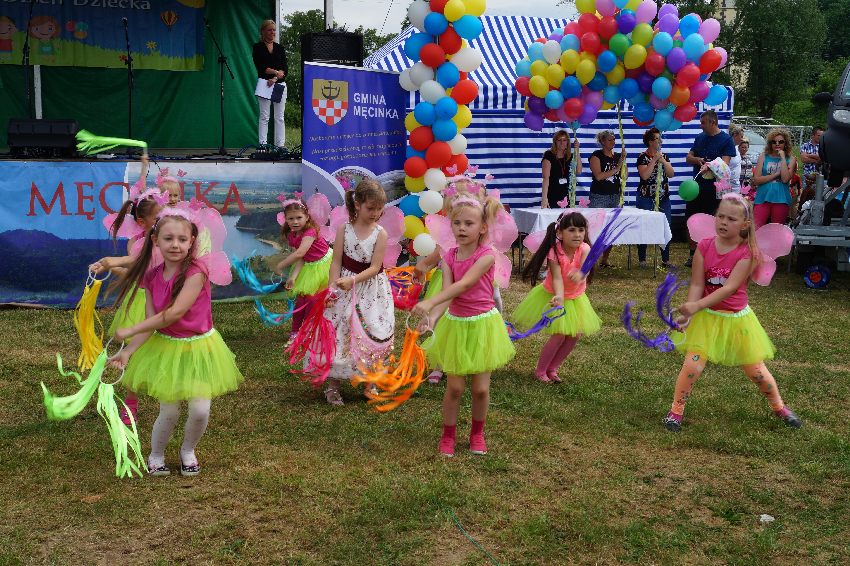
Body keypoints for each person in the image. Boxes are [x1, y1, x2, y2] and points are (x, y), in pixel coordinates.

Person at [109, 209, 244, 476]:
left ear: (192, 241)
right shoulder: (151, 276)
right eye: (168, 239)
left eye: (182, 239)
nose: (175, 245)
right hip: (167, 347)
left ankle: (188, 450)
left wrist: (131, 329)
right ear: (155, 240)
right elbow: (153, 321)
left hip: (200, 348)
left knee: (200, 410)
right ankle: (156, 454)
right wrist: (129, 351)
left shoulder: (196, 272)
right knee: (169, 410)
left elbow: (174, 313)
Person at [662, 193, 802, 433]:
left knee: (756, 371)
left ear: (745, 225)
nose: (723, 222)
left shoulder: (749, 253)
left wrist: (697, 306)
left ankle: (779, 406)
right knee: (692, 366)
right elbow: (697, 283)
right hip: (707, 318)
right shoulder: (704, 246)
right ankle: (676, 411)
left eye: (731, 219)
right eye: (720, 216)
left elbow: (729, 288)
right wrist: (690, 312)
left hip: (737, 320)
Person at [413, 189, 515, 457]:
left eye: (469, 223)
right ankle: (448, 435)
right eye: (457, 223)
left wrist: (429, 302)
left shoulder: (487, 255)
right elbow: (449, 292)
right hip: (456, 324)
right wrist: (432, 318)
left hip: (483, 325)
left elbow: (465, 285)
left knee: (480, 389)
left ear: (483, 227)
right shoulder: (448, 256)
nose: (461, 228)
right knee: (455, 387)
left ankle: (477, 434)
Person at [322, 179, 394, 406]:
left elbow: (375, 267)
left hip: (371, 290)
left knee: (371, 329)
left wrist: (353, 280)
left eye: (379, 209)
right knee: (341, 329)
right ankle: (333, 385)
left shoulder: (380, 233)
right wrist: (332, 287)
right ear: (357, 205)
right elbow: (336, 261)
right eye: (370, 208)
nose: (375, 213)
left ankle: (370, 382)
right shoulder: (344, 230)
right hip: (344, 287)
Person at [513, 212, 600, 383]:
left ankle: (553, 368)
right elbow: (557, 278)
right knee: (559, 334)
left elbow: (586, 268)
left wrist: (581, 274)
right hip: (556, 294)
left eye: (581, 230)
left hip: (575, 297)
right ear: (560, 232)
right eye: (572, 230)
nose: (577, 234)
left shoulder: (585, 248)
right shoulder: (555, 251)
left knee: (575, 335)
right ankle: (540, 370)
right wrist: (559, 296)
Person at [275, 196, 331, 340]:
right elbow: (302, 258)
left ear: (307, 217)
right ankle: (295, 330)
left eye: (299, 217)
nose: (295, 222)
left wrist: (280, 265)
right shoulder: (292, 235)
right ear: (286, 220)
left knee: (312, 301)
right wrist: (293, 277)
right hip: (308, 265)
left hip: (323, 266)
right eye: (291, 218)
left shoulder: (310, 232)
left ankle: (308, 330)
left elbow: (300, 253)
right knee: (301, 301)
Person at [684, 110, 736, 266]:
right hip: (696, 187)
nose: (701, 125)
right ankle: (692, 254)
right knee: (691, 219)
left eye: (703, 122)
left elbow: (725, 164)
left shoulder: (726, 140)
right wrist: (697, 159)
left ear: (713, 122)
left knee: (713, 221)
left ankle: (711, 255)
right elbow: (688, 158)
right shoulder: (700, 137)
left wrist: (710, 165)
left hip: (715, 189)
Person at [635, 127, 675, 268]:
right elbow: (645, 176)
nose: (660, 141)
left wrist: (663, 161)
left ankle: (665, 259)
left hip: (663, 197)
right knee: (644, 226)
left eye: (660, 138)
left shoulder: (664, 156)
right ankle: (642, 259)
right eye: (657, 139)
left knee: (666, 226)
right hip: (646, 197)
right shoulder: (642, 157)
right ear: (650, 142)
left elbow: (671, 174)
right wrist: (654, 160)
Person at [588, 130, 627, 267]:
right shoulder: (596, 156)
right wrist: (617, 168)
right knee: (595, 228)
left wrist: (623, 162)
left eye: (614, 139)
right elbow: (598, 176)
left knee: (610, 229)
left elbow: (625, 176)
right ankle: (590, 258)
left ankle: (605, 259)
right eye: (610, 140)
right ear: (603, 141)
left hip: (614, 195)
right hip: (599, 196)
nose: (613, 142)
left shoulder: (617, 156)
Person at [252, 19, 288, 148]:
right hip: (264, 84)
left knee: (279, 117)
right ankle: (262, 145)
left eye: (274, 30)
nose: (272, 32)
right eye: (269, 30)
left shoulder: (280, 48)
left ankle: (280, 146)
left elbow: (285, 68)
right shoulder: (257, 47)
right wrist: (276, 72)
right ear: (263, 31)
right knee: (264, 116)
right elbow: (261, 67)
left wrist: (275, 78)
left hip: (279, 84)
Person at [752, 128, 796, 228]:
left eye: (781, 142)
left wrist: (783, 158)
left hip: (781, 198)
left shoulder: (791, 159)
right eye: (774, 142)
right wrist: (776, 175)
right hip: (763, 197)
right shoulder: (763, 156)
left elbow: (785, 179)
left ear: (785, 143)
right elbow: (756, 180)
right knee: (756, 228)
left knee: (776, 230)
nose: (777, 144)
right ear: (770, 143)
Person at [541, 130, 582, 208]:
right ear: (555, 142)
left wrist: (577, 151)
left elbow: (578, 171)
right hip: (553, 195)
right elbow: (546, 178)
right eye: (559, 140)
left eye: (564, 140)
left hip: (567, 196)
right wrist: (544, 199)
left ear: (567, 142)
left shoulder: (570, 156)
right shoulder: (549, 155)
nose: (562, 143)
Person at [728, 125, 745, 193]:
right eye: (741, 136)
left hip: (736, 186)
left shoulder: (736, 147)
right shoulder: (727, 147)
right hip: (727, 186)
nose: (742, 139)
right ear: (735, 135)